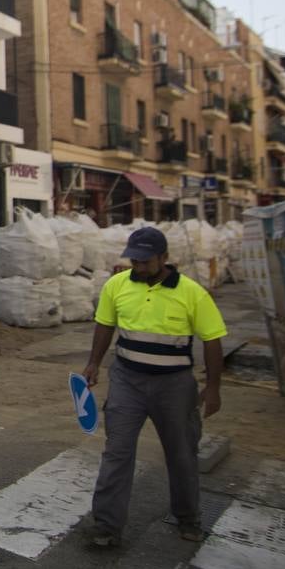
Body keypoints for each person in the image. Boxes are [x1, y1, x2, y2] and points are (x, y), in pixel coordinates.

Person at [83, 226, 226, 548]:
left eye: (146, 260)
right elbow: (105, 325)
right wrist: (93, 362)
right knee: (117, 453)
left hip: (174, 386)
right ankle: (106, 526)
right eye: (135, 259)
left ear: (164, 258)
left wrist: (213, 387)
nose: (139, 265)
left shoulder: (192, 292)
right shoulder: (116, 285)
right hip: (126, 381)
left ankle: (188, 518)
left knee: (181, 454)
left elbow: (213, 339)